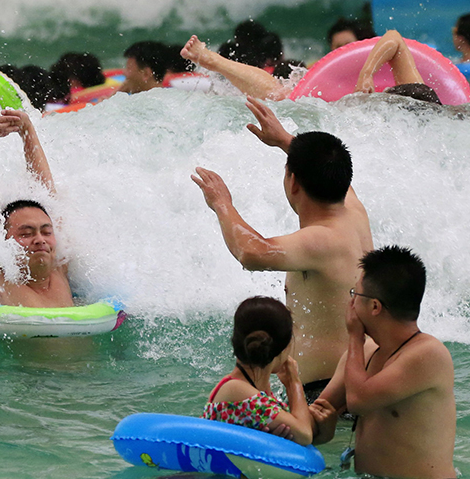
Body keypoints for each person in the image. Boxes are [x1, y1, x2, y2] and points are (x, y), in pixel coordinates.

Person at [191, 97, 373, 397]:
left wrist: (222, 203)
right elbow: (324, 166)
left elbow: (251, 252)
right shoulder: (352, 210)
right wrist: (284, 140)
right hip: (353, 380)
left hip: (327, 393)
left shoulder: (321, 240)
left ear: (294, 183)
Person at [310, 246, 457, 479]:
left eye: (354, 294)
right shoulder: (363, 353)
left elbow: (358, 401)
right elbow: (319, 411)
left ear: (375, 307)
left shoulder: (429, 355)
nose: (350, 303)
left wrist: (354, 337)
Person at [0, 110, 72, 308]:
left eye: (46, 231)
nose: (40, 239)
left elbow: (47, 193)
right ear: (4, 243)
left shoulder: (59, 269)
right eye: (26, 233)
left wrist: (27, 130)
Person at [181, 30, 440, 104]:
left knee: (285, 97)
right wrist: (367, 72)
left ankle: (213, 60)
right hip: (351, 99)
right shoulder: (420, 94)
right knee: (286, 95)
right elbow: (394, 37)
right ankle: (211, 59)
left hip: (345, 115)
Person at [202, 296, 314, 445]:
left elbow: (299, 428)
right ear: (283, 348)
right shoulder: (236, 389)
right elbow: (305, 435)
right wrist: (294, 383)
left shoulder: (254, 389)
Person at [355, 30, 442, 105]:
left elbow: (394, 36)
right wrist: (366, 75)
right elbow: (394, 38)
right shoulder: (427, 103)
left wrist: (366, 75)